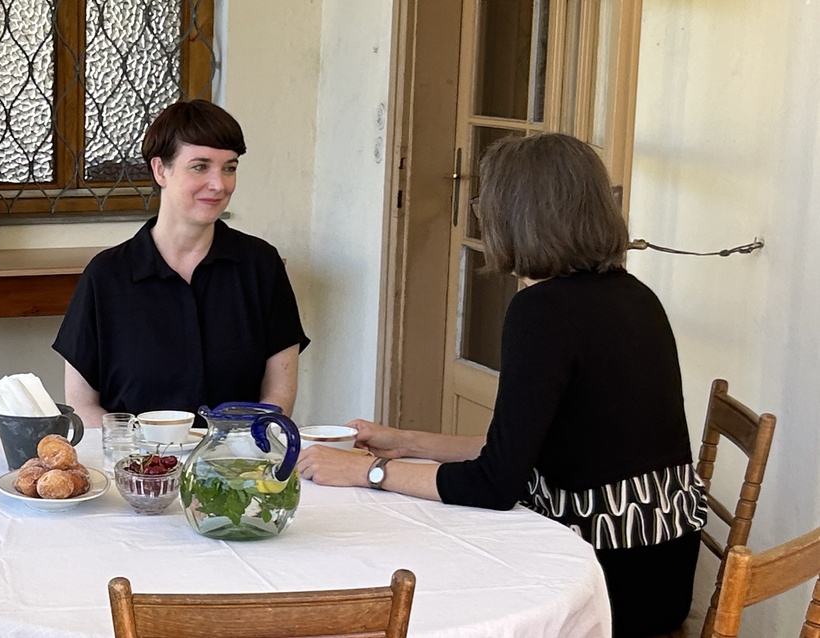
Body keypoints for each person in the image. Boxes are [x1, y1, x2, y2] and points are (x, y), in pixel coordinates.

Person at [296, 133, 706, 637]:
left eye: (485, 203)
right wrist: (405, 442)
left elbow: (494, 483)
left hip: (600, 579)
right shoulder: (635, 295)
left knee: (417, 577)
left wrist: (369, 472)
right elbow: (531, 446)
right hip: (664, 565)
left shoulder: (542, 312)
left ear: (515, 215)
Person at [53, 99, 310, 429]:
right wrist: (148, 462)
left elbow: (279, 395)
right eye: (200, 167)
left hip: (236, 468)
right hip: (136, 472)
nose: (219, 184)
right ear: (161, 169)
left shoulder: (261, 265)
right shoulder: (106, 276)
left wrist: (230, 456)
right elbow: (82, 404)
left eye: (229, 168)